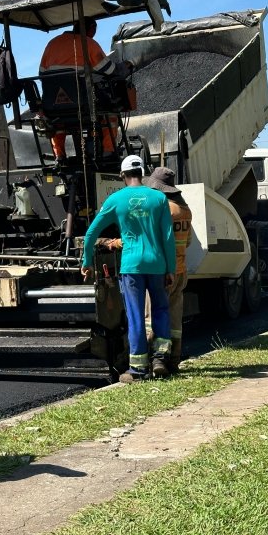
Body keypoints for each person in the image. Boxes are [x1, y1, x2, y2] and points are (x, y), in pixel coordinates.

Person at [81, 155, 175, 382]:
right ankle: (160, 358)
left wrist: (86, 261)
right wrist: (171, 268)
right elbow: (168, 237)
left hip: (131, 266)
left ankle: (139, 370)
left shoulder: (116, 199)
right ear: (142, 174)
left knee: (135, 316)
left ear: (123, 176)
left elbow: (91, 233)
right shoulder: (159, 198)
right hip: (157, 264)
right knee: (161, 309)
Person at [39, 18, 132, 163]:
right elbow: (109, 69)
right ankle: (108, 151)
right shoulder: (88, 43)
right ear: (91, 29)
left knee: (57, 122)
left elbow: (42, 74)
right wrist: (125, 66)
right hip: (82, 106)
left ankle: (60, 156)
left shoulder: (52, 44)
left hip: (54, 105)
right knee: (111, 113)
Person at [142, 167, 193, 374]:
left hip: (162, 272)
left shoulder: (164, 209)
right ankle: (173, 360)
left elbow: (153, 241)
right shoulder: (185, 211)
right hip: (181, 272)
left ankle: (153, 361)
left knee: (152, 318)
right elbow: (187, 242)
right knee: (173, 319)